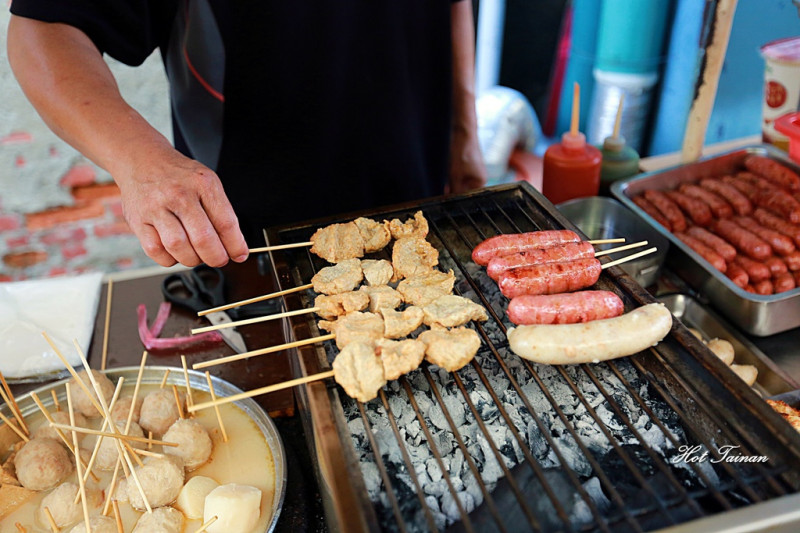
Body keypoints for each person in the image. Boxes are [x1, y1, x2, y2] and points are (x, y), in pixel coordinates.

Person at [7, 1, 487, 268]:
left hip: (415, 210)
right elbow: (43, 29)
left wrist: (465, 132)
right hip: (247, 245)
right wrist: (143, 163)